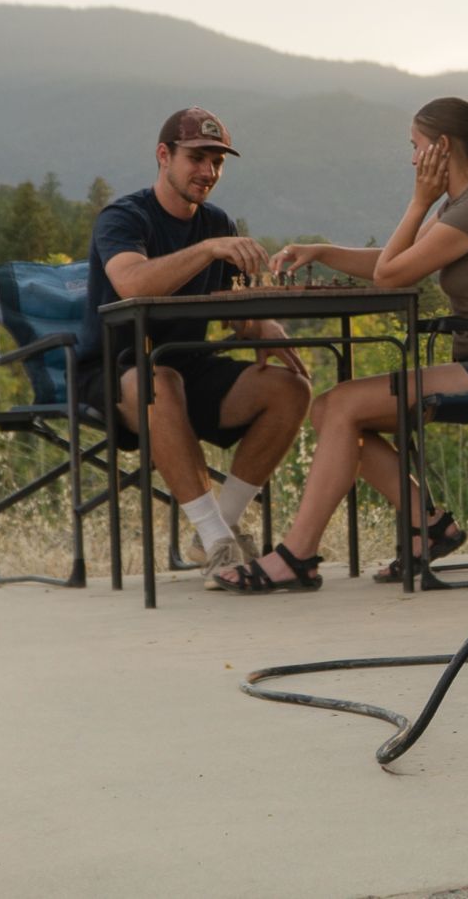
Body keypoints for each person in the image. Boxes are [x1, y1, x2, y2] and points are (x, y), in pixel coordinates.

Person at [215, 96, 468, 593]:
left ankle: (296, 556)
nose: (412, 159)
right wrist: (321, 250)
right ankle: (426, 529)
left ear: (441, 148)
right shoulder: (463, 205)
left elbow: (391, 276)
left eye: (415, 147)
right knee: (331, 411)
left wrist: (417, 201)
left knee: (340, 405)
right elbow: (393, 260)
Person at [76, 106, 313, 587]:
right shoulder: (124, 217)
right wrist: (208, 250)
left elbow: (233, 309)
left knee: (292, 385)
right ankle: (217, 543)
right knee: (158, 380)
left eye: (218, 162)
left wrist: (260, 322)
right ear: (164, 156)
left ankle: (217, 532)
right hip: (116, 369)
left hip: (190, 366)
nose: (208, 172)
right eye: (197, 158)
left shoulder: (217, 222)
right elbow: (131, 283)